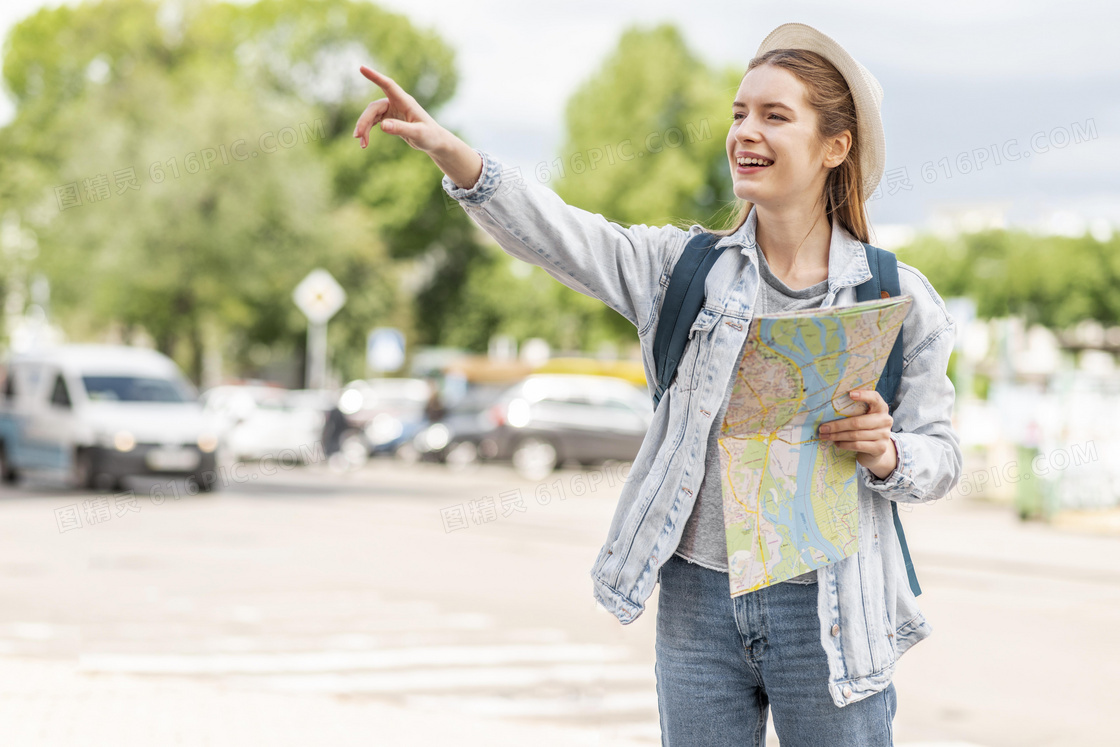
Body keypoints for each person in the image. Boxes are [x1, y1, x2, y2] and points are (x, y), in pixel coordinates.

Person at [353, 21, 962, 746]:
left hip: (830, 607)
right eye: (739, 113)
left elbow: (942, 455)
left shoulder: (897, 297)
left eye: (774, 115)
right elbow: (564, 236)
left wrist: (888, 453)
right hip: (700, 602)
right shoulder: (685, 270)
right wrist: (454, 155)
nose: (745, 132)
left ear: (835, 146)